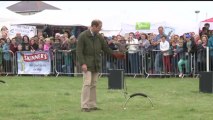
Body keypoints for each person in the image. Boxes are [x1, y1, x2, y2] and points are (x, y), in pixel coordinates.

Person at [76, 19, 125, 112]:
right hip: (87, 63)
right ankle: (84, 106)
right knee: (87, 83)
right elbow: (79, 51)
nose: (100, 29)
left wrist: (116, 54)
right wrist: (83, 63)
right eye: (99, 27)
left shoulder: (99, 37)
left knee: (93, 84)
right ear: (93, 26)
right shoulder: (83, 36)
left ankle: (92, 105)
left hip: (96, 63)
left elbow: (106, 49)